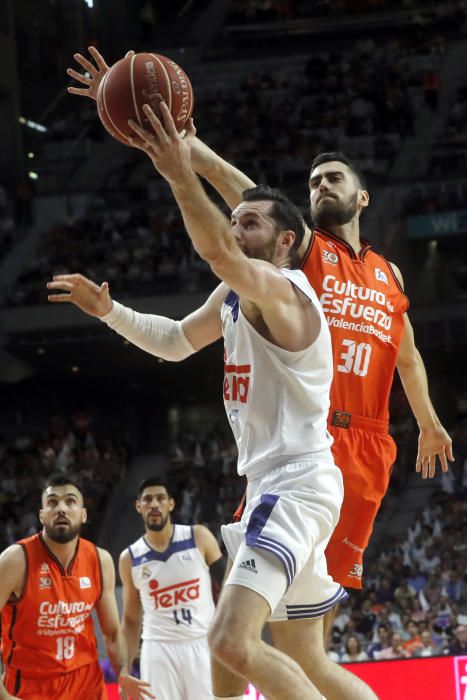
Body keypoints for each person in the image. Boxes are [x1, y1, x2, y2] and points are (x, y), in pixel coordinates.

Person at [48, 98, 378, 698]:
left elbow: (218, 252)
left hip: (297, 485)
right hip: (277, 484)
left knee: (227, 641)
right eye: (236, 218)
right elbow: (175, 342)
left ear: (284, 244)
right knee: (305, 662)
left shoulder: (284, 292)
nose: (236, 227)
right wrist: (108, 311)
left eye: (251, 221)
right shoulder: (234, 294)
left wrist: (179, 170)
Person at [0, 473, 152, 700]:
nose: (61, 508)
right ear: (42, 515)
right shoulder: (15, 561)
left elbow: (111, 634)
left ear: (83, 514)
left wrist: (122, 672)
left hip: (86, 684)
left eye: (70, 501)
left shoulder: (100, 560)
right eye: (52, 502)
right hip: (31, 686)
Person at [119, 477, 224, 700]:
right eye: (147, 500)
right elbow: (130, 619)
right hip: (158, 648)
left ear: (171, 504)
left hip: (201, 641)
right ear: (139, 506)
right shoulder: (130, 558)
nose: (154, 504)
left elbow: (228, 587)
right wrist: (124, 670)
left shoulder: (199, 537)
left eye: (160, 498)